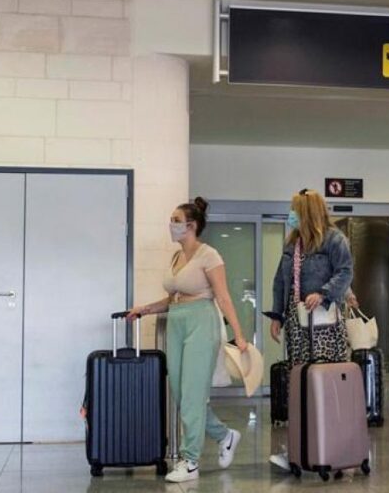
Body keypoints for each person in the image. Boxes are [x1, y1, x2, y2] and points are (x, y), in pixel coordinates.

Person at [128, 197, 248, 483]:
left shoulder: (210, 256)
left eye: (176, 220)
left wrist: (239, 335)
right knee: (182, 396)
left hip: (201, 322)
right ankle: (225, 435)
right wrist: (144, 309)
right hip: (177, 321)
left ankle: (190, 461)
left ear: (191, 226)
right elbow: (173, 299)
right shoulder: (176, 257)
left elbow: (223, 297)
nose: (171, 225)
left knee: (193, 395)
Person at [267, 189, 354, 471]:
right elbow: (280, 281)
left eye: (295, 209)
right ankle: (299, 450)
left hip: (325, 323)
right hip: (298, 322)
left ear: (306, 211)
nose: (291, 214)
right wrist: (277, 315)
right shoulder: (292, 244)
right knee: (299, 384)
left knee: (327, 385)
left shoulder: (334, 239)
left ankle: (332, 448)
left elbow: (345, 271)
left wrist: (324, 293)